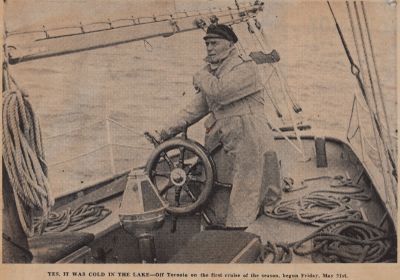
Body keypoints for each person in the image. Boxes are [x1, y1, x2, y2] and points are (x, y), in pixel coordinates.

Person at [152, 24, 280, 228]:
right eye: (207, 44)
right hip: (225, 137)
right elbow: (195, 109)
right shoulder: (213, 74)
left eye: (214, 43)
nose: (209, 48)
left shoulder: (246, 68)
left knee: (247, 181)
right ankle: (221, 222)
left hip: (250, 133)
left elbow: (221, 92)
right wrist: (164, 131)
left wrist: (201, 76)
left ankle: (238, 229)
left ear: (229, 44)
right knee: (222, 182)